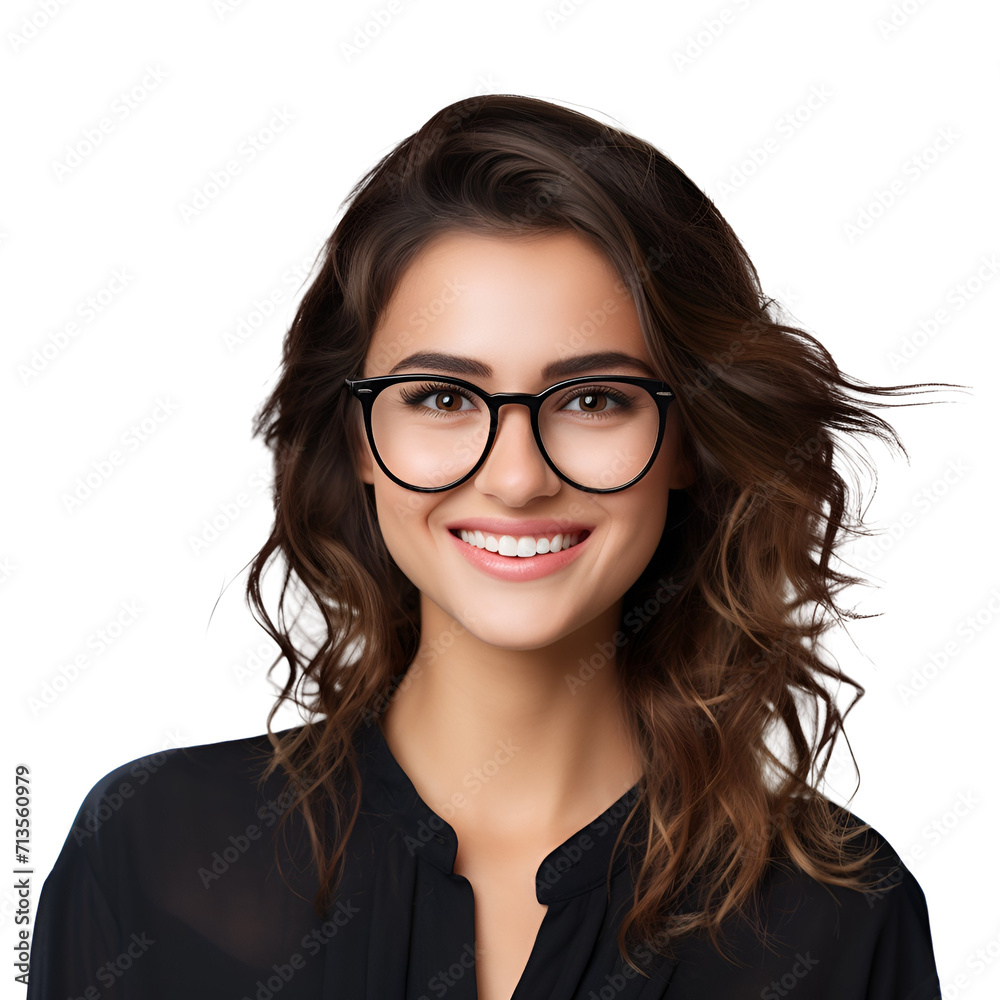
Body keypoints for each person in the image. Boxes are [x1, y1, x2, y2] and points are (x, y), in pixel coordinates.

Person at [26, 94, 944, 999]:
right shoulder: (151, 854)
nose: (515, 478)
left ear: (688, 443)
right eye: (441, 397)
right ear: (358, 444)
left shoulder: (839, 920)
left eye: (594, 399)